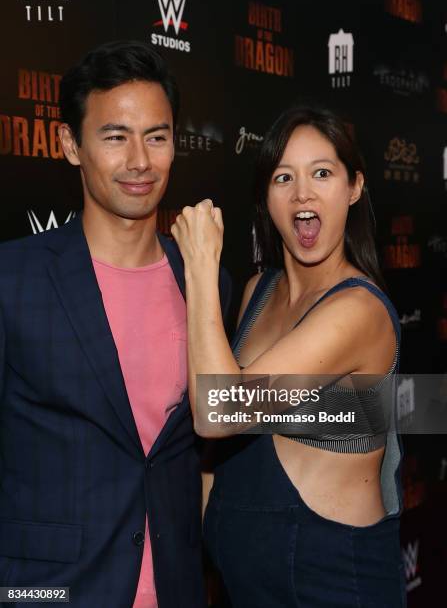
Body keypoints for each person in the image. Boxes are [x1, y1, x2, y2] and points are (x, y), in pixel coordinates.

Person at [0, 40, 230, 608]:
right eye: (115, 136)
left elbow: (213, 442)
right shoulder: (14, 278)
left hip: (178, 586)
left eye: (157, 136)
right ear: (70, 145)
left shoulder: (205, 281)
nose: (140, 161)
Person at [171, 106, 406, 607]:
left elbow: (219, 412)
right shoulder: (260, 289)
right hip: (248, 586)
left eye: (322, 172)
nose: (303, 193)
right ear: (266, 196)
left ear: (354, 187)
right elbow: (225, 447)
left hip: (331, 583)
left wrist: (200, 268)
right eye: (284, 177)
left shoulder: (358, 311)